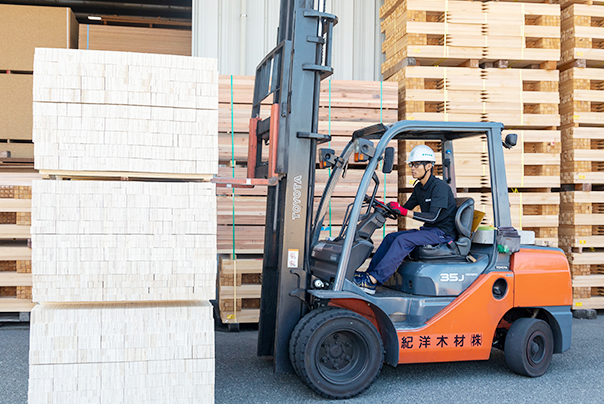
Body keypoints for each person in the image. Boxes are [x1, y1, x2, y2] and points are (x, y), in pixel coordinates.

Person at [353, 145, 457, 294]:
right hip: (430, 230)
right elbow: (405, 208)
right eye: (411, 165)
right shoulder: (419, 188)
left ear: (429, 166)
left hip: (442, 233)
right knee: (390, 238)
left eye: (416, 165)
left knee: (403, 241)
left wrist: (403, 211)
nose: (412, 168)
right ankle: (369, 276)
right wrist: (385, 206)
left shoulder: (439, 187)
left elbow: (432, 217)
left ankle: (374, 280)